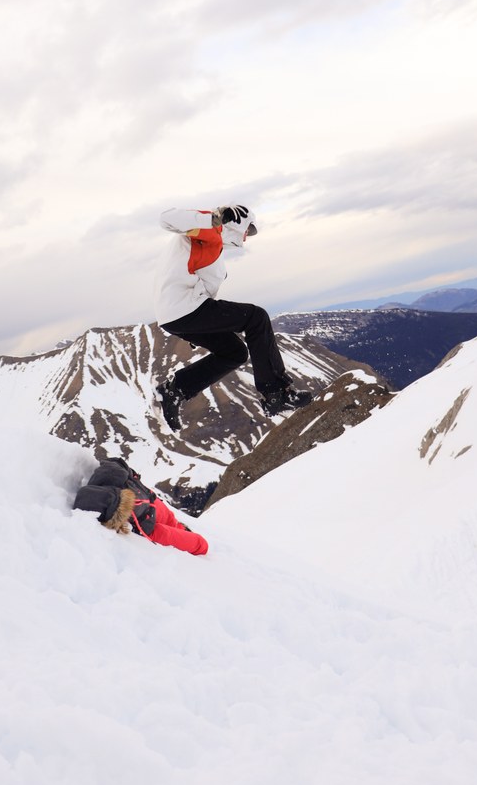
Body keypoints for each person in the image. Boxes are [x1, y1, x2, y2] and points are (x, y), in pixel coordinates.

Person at [153, 204, 313, 431]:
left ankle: (174, 390)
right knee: (256, 317)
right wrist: (215, 218)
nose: (246, 238)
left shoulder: (213, 246)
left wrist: (206, 328)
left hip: (178, 315)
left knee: (235, 352)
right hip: (185, 308)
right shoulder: (209, 229)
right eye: (248, 230)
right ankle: (276, 395)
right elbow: (166, 218)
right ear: (238, 223)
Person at [73, 457, 208, 556]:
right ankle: (183, 529)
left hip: (149, 517)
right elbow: (118, 464)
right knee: (174, 523)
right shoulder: (110, 477)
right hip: (152, 502)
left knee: (179, 530)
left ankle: (183, 529)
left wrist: (201, 546)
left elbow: (199, 544)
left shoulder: (131, 519)